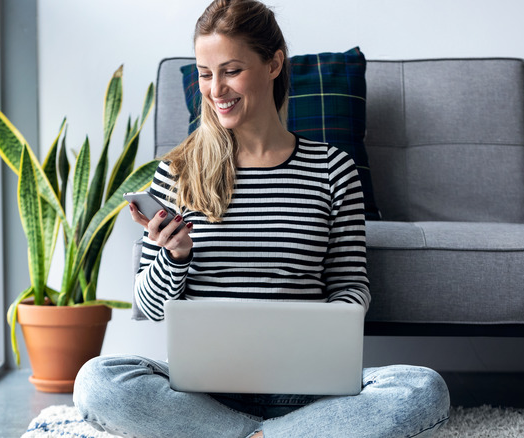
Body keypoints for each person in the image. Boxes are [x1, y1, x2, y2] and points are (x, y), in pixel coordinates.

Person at [73, 1, 450, 436]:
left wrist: (322, 337)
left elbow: (349, 286)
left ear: (273, 63)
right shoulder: (178, 171)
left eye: (231, 70)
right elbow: (149, 308)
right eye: (205, 73)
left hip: (308, 388)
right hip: (203, 392)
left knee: (423, 388)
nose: (215, 90)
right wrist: (173, 257)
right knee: (98, 382)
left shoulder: (332, 169)